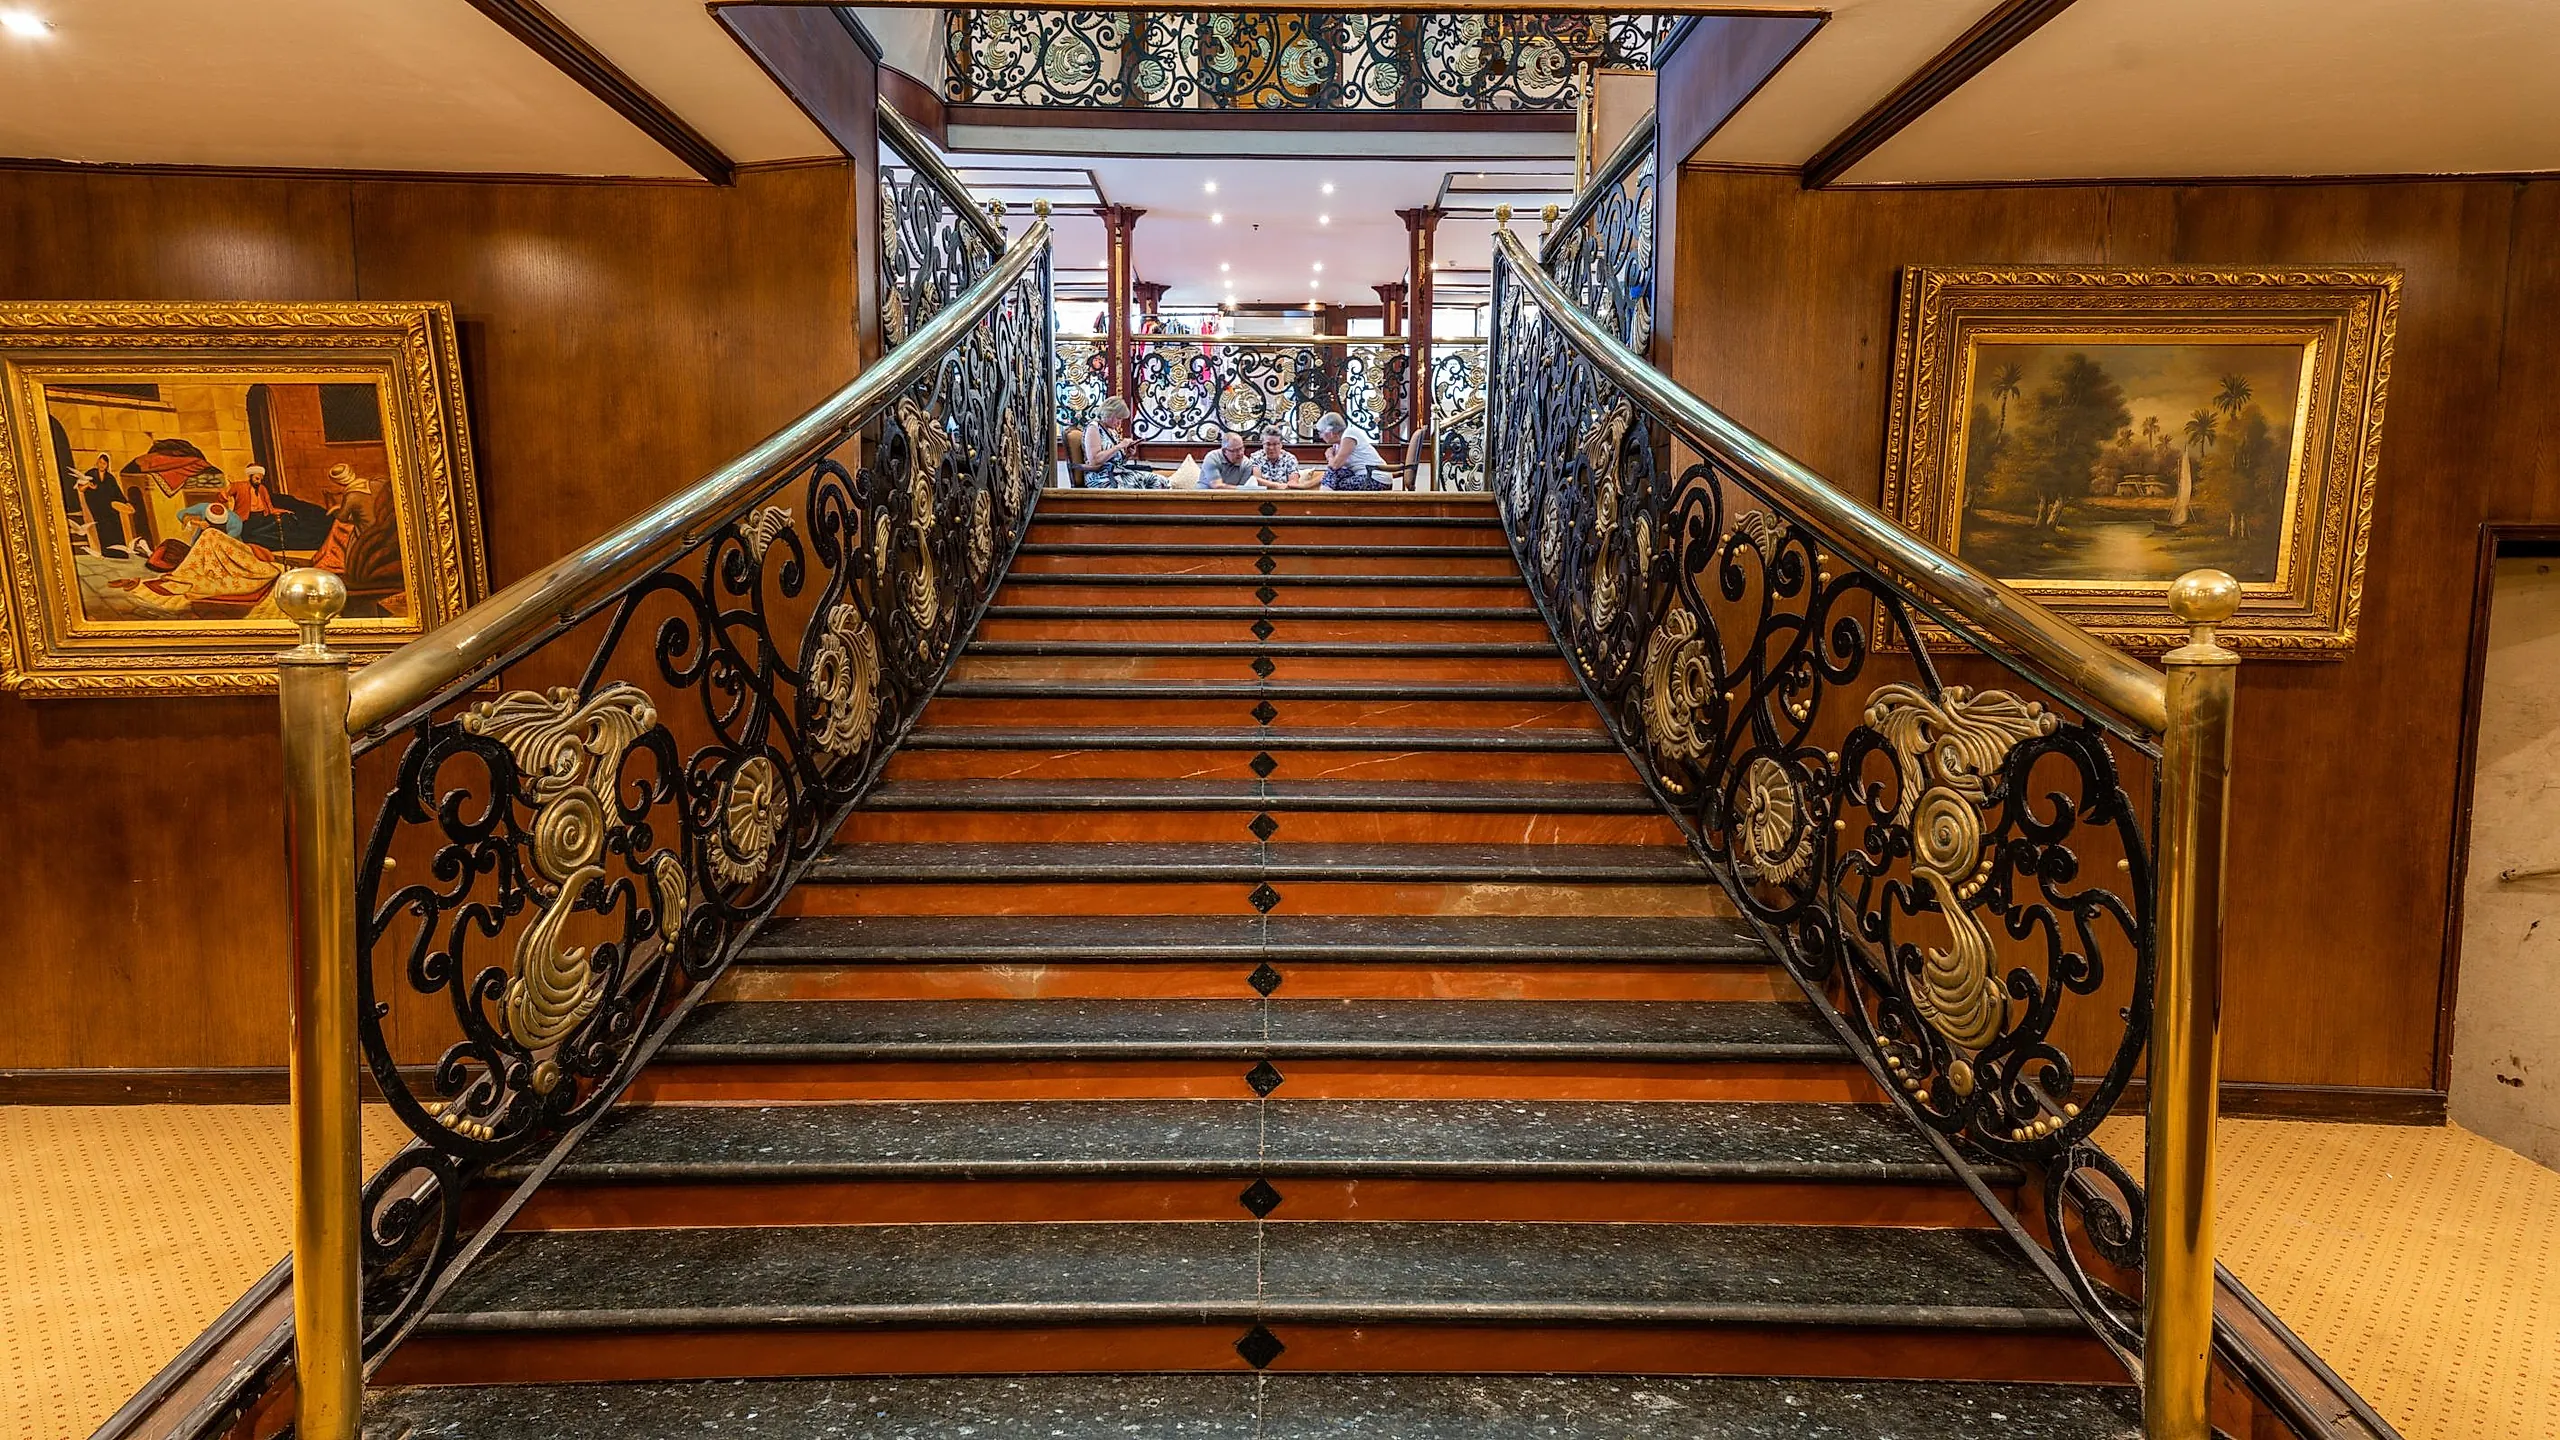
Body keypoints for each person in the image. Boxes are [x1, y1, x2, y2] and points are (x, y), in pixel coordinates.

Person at [1082, 398, 1157, 489]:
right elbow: (1094, 461)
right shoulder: (1093, 428)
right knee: (1153, 483)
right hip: (1100, 478)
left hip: (1116, 474)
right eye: (1118, 418)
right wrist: (1119, 446)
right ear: (1109, 413)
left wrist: (1128, 455)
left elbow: (1117, 462)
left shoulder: (1112, 431)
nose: (1119, 423)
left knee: (1158, 481)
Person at [1313, 412, 1392, 492]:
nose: (1320, 436)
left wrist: (1329, 455)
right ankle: (1321, 495)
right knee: (1335, 477)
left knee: (1336, 482)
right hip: (1363, 476)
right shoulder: (1337, 445)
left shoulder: (1349, 434)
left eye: (1321, 432)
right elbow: (1334, 472)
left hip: (1376, 479)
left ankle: (1322, 496)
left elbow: (1334, 466)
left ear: (1331, 432)